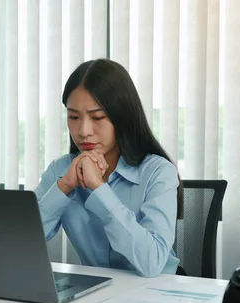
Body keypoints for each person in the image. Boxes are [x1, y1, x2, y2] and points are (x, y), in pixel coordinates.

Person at [33, 59, 184, 278]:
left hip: (154, 294)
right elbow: (19, 243)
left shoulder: (158, 172)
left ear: (122, 116)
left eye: (97, 117)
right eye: (74, 117)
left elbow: (152, 263)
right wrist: (64, 186)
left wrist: (99, 189)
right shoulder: (61, 171)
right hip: (96, 293)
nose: (83, 130)